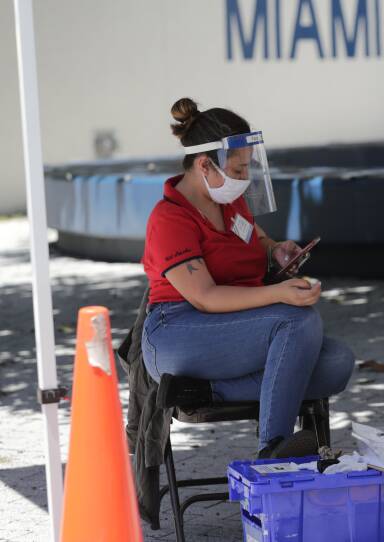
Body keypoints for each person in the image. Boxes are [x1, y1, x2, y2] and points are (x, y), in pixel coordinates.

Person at [140, 98, 354, 458]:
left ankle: (211, 390)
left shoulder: (229, 202)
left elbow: (254, 237)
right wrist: (279, 294)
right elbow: (205, 296)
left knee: (337, 361)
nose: (244, 178)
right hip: (177, 331)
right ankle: (274, 448)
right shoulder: (169, 218)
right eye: (238, 170)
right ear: (204, 164)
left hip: (235, 328)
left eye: (247, 169)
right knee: (296, 322)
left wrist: (275, 251)